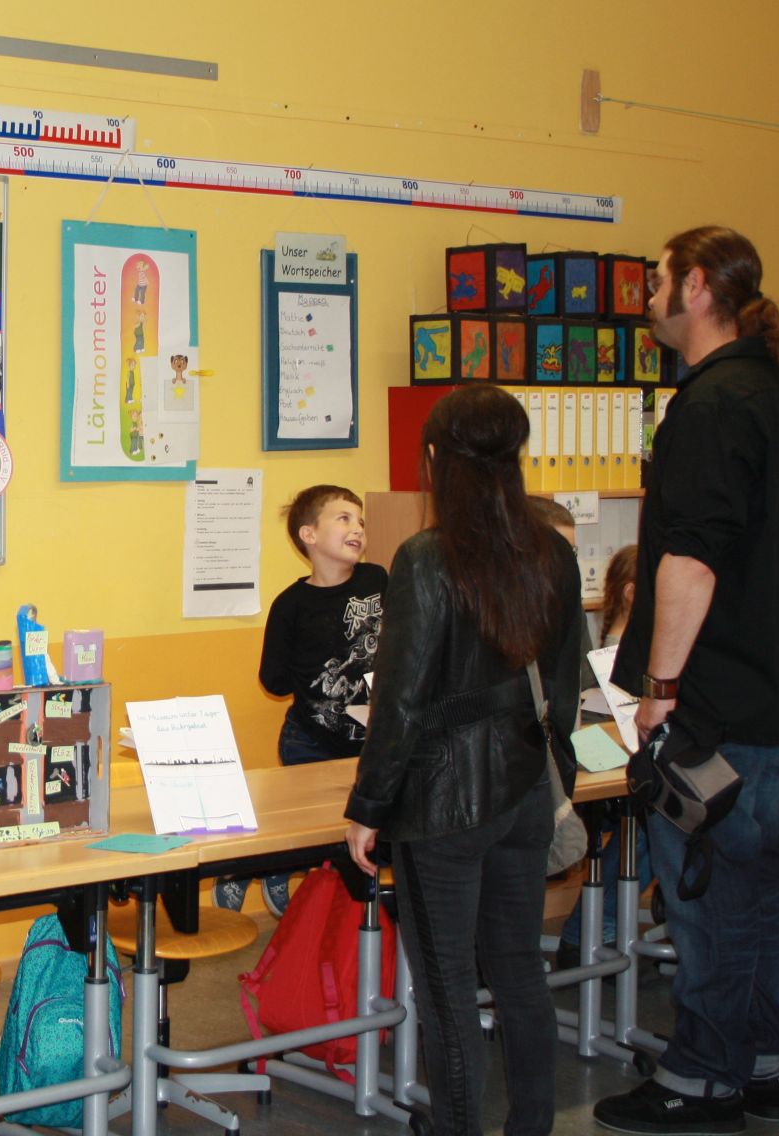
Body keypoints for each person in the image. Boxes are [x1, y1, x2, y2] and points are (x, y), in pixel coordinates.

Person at [595, 227, 779, 1134]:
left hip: (712, 703)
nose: (648, 298)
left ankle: (703, 1075)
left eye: (657, 281)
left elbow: (691, 561)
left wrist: (661, 686)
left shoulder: (710, 404)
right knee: (759, 889)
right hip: (774, 692)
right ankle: (764, 1056)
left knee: (706, 892)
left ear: (695, 287)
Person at [344, 384, 582, 1136]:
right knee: (520, 974)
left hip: (443, 806)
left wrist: (368, 807)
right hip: (525, 791)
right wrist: (555, 782)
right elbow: (564, 688)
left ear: (435, 459)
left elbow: (402, 699)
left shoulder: (426, 559)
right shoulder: (554, 552)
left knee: (448, 993)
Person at [217, 485, 386, 914]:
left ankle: (288, 873)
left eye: (361, 521)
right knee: (302, 830)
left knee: (351, 834)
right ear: (309, 535)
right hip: (310, 741)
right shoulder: (290, 606)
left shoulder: (378, 580)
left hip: (370, 744)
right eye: (344, 518)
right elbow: (273, 681)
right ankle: (256, 866)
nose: (357, 528)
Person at [554, 542, 651, 967]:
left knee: (659, 817)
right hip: (567, 769)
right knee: (653, 823)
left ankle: (596, 929)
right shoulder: (611, 650)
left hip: (603, 760)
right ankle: (591, 930)